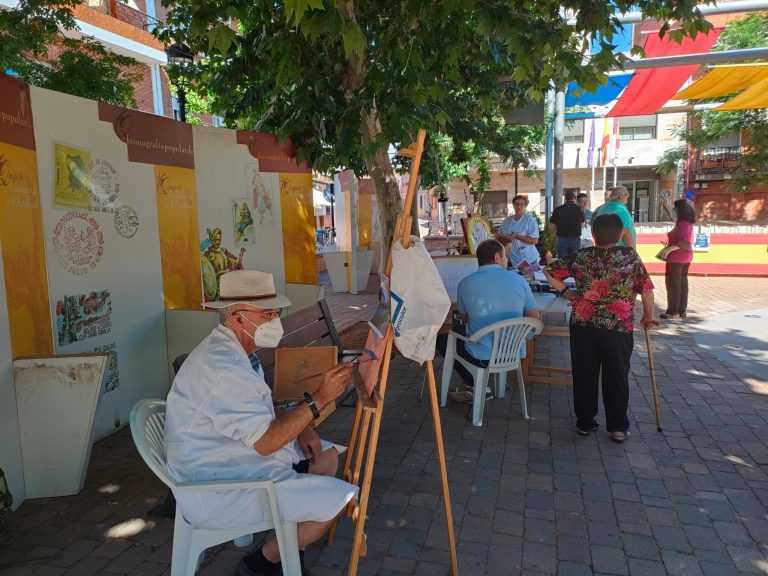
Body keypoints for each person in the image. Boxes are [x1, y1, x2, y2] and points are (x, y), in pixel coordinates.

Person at [164, 269, 358, 576]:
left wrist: (304, 425)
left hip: (234, 461)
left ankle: (289, 553)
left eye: (275, 312)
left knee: (326, 457)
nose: (274, 321)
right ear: (239, 319)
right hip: (220, 486)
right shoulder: (224, 367)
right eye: (267, 313)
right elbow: (266, 443)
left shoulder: (236, 350)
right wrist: (319, 400)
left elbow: (261, 410)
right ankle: (262, 563)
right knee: (340, 499)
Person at [544, 214, 657, 443]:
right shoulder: (630, 257)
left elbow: (550, 272)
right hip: (618, 326)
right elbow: (646, 289)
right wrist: (648, 316)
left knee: (584, 373)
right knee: (616, 375)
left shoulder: (582, 256)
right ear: (619, 235)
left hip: (584, 325)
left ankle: (585, 422)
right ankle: (617, 427)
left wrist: (568, 294)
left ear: (593, 235)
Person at [436, 239, 540, 401]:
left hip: (481, 354)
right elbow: (534, 318)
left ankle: (475, 382)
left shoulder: (464, 283)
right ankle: (480, 384)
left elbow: (465, 319)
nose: (508, 260)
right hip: (512, 352)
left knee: (443, 339)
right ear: (497, 257)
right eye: (506, 256)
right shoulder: (519, 280)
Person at [661, 199, 696, 320]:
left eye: (675, 208)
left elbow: (683, 241)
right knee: (682, 283)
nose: (673, 210)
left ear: (679, 210)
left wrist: (667, 250)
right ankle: (681, 311)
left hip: (677, 257)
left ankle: (673, 312)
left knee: (673, 284)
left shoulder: (682, 223)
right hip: (686, 256)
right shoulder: (687, 222)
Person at [499, 195, 540, 271]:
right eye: (517, 204)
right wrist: (503, 238)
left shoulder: (529, 220)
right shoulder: (506, 221)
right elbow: (502, 239)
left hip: (529, 260)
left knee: (531, 281)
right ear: (513, 205)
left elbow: (535, 241)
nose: (519, 206)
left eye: (522, 204)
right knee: (516, 281)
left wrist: (517, 236)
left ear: (525, 206)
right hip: (512, 260)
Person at [549, 189, 585, 258]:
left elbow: (551, 227)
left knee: (562, 264)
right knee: (575, 263)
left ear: (565, 197)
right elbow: (582, 225)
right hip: (575, 240)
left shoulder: (558, 209)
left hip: (562, 240)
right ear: (575, 198)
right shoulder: (579, 209)